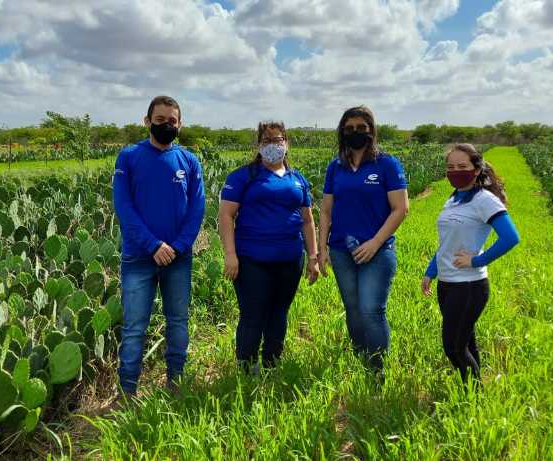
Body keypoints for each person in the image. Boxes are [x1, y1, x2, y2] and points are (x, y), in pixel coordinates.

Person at [112, 95, 204, 397]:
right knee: (134, 327)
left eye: (172, 121)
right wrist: (153, 245)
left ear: (180, 124)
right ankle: (128, 393)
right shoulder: (128, 157)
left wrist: (176, 247)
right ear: (147, 121)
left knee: (177, 321)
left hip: (178, 258)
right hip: (138, 257)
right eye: (160, 120)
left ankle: (175, 385)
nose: (166, 125)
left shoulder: (189, 162)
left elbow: (197, 210)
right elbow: (124, 207)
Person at [218, 121, 319, 373]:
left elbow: (307, 220)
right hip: (252, 259)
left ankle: (272, 365)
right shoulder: (244, 176)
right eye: (267, 140)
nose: (273, 145)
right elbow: (226, 216)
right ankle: (246, 368)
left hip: (290, 259)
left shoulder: (298, 180)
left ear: (287, 143)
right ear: (259, 145)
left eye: (278, 140)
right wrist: (230, 254)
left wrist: (313, 257)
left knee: (279, 314)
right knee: (253, 315)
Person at [318, 106, 409, 373]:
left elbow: (401, 208)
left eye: (361, 128)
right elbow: (325, 210)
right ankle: (361, 361)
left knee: (371, 310)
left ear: (371, 130)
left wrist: (375, 242)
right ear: (342, 132)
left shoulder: (387, 164)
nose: (355, 133)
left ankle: (378, 370)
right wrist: (321, 249)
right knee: (354, 311)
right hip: (341, 250)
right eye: (349, 129)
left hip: (377, 251)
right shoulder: (335, 167)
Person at [421, 143, 520, 385]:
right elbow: (447, 242)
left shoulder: (484, 200)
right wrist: (431, 272)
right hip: (447, 283)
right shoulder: (453, 199)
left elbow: (511, 238)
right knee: (465, 341)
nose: (455, 171)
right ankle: (473, 393)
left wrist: (476, 260)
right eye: (451, 167)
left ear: (476, 169)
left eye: (462, 166)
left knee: (453, 347)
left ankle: (473, 396)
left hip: (469, 286)